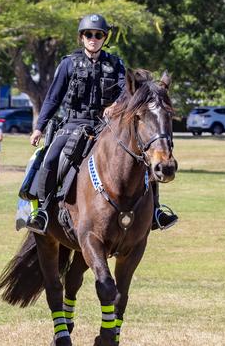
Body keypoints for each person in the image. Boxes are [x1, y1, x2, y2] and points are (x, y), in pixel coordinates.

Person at [25, 14, 178, 234]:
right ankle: (42, 212)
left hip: (105, 125)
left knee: (142, 159)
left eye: (98, 35)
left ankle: (155, 211)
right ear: (82, 37)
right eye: (89, 34)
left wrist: (116, 105)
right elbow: (52, 98)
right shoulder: (68, 64)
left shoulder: (115, 64)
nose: (93, 38)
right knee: (51, 158)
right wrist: (39, 126)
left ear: (104, 38)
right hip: (73, 124)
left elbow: (128, 92)